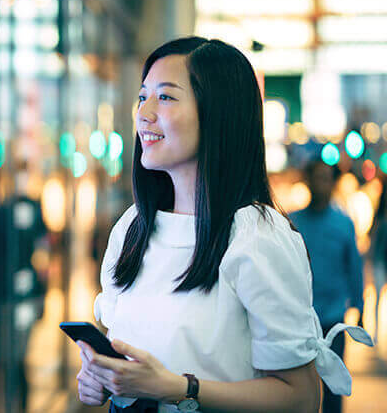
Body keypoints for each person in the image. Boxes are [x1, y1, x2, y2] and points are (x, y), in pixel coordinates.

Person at [76, 36, 373, 413]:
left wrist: (180, 388)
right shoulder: (133, 226)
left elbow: (301, 398)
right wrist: (100, 379)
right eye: (142, 96)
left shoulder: (257, 235)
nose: (144, 113)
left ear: (218, 113)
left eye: (165, 97)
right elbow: (124, 354)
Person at [289, 159, 364, 413]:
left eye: (325, 178)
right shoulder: (293, 222)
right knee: (300, 387)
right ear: (307, 181)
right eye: (316, 177)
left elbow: (354, 267)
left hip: (333, 319)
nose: (321, 184)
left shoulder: (344, 223)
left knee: (333, 389)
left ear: (332, 183)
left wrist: (359, 306)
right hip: (300, 320)